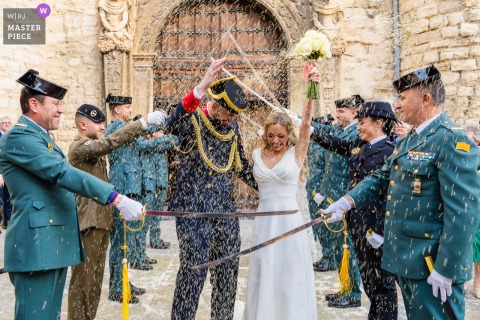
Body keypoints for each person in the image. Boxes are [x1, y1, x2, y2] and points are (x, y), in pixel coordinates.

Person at [323, 65, 480, 319]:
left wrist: (446, 268)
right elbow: (382, 176)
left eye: (403, 98)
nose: (396, 105)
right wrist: (347, 201)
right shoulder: (411, 139)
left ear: (425, 99)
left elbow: (464, 212)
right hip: (408, 259)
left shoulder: (451, 140)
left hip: (432, 265)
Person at [0, 69, 144, 320]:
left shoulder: (41, 137)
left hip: (52, 243)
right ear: (34, 104)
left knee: (50, 315)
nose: (61, 110)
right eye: (56, 103)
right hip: (36, 248)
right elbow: (61, 172)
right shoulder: (18, 137)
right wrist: (116, 198)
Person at [165, 57, 257, 320]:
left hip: (225, 213)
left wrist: (271, 186)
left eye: (235, 115)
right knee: (193, 276)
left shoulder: (232, 127)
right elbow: (170, 124)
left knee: (227, 276)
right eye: (228, 113)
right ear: (214, 105)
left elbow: (241, 166)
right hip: (194, 213)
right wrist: (202, 85)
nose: (231, 119)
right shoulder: (192, 121)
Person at [67, 104, 166, 319]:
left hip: (102, 222)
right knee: (82, 285)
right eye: (98, 123)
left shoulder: (91, 146)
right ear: (83, 125)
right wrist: (143, 123)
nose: (103, 126)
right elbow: (111, 143)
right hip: (89, 223)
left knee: (93, 285)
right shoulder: (79, 147)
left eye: (104, 122)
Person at [312, 101, 398, 319]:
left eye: (362, 123)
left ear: (378, 123)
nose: (358, 127)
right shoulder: (361, 145)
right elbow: (337, 144)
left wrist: (380, 230)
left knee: (383, 286)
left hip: (376, 229)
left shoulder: (390, 151)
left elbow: (389, 197)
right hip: (358, 224)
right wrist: (311, 130)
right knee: (371, 284)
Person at [245, 78, 318, 319]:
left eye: (281, 136)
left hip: (290, 223)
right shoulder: (256, 153)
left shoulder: (296, 153)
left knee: (289, 273)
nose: (276, 141)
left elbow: (306, 122)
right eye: (272, 135)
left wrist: (311, 87)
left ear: (289, 136)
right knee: (265, 268)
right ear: (266, 134)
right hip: (265, 222)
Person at [311, 95, 363, 308]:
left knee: (347, 248)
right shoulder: (342, 131)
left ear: (354, 112)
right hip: (333, 194)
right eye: (338, 111)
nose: (337, 115)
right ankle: (345, 288)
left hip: (344, 196)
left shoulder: (355, 134)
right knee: (341, 246)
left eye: (341, 112)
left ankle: (353, 294)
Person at [105, 94, 156, 302]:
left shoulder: (127, 130)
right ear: (116, 110)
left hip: (130, 188)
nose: (129, 111)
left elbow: (143, 144)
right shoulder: (115, 129)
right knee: (119, 243)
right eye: (127, 107)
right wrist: (148, 122)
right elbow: (135, 133)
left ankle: (124, 281)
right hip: (121, 189)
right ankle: (116, 288)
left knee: (124, 241)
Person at [465, 122, 480, 299]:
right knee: (467, 243)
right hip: (466, 206)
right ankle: (466, 278)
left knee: (479, 244)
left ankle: (477, 281)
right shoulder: (461, 155)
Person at [0, 116, 12, 230]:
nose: (7, 124)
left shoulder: (12, 138)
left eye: (9, 123)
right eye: (4, 123)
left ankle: (8, 221)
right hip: (0, 174)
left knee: (10, 198)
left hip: (10, 173)